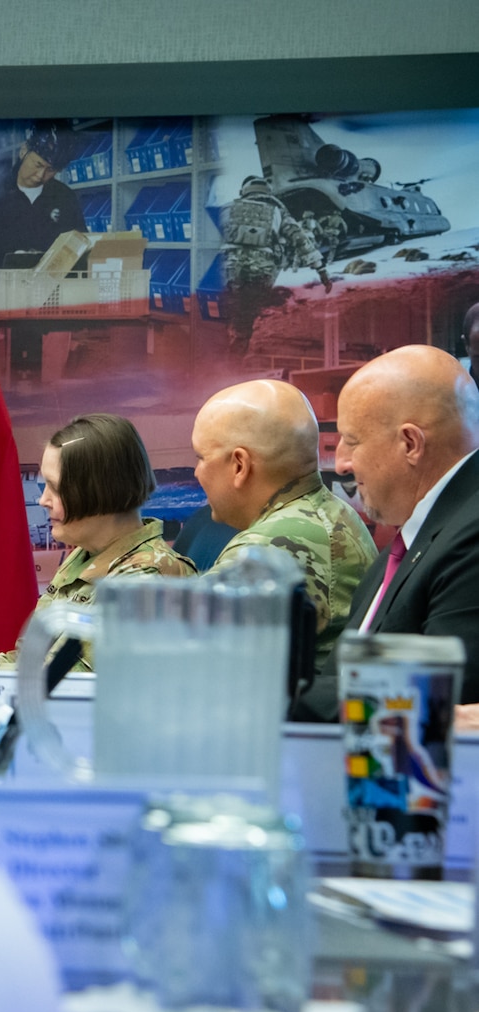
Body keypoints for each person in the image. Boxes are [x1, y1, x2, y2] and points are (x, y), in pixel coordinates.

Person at [293, 345, 479, 723]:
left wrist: (265, 691)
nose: (341, 462)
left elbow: (436, 703)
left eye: (353, 441)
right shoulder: (405, 547)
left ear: (410, 443)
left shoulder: (470, 535)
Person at [0, 414, 195, 670]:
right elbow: (29, 661)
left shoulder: (143, 585)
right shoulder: (86, 556)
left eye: (55, 488)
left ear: (98, 491)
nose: (43, 500)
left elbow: (57, 684)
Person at [191, 379, 376, 670]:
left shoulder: (267, 547)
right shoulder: (330, 513)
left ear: (240, 465)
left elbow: (178, 657)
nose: (196, 472)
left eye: (201, 457)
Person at [221, 175, 331, 353]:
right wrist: (321, 269)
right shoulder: (278, 210)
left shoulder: (228, 208)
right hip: (263, 267)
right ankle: (239, 347)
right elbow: (300, 239)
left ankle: (223, 344)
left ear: (244, 191)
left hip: (229, 265)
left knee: (229, 305)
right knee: (249, 310)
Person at [0, 127, 87, 270]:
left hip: (51, 285)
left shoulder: (65, 196)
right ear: (23, 151)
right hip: (4, 282)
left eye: (50, 170)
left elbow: (80, 241)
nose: (40, 175)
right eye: (38, 164)